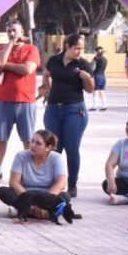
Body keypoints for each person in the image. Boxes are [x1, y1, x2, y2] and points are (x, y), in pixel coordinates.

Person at [41, 33, 94, 198]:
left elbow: (91, 89)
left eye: (82, 48)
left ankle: (72, 185)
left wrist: (86, 78)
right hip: (54, 109)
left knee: (72, 148)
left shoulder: (83, 64)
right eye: (77, 48)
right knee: (54, 148)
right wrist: (48, 90)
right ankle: (54, 182)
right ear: (67, 47)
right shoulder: (54, 60)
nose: (80, 51)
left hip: (74, 110)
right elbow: (46, 74)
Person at [0, 20, 41, 182]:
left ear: (22, 31)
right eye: (9, 31)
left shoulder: (31, 49)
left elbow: (27, 69)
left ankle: (29, 171)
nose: (12, 34)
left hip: (26, 101)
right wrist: (10, 45)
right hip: (4, 101)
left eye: (14, 31)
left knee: (27, 139)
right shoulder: (1, 49)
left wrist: (6, 65)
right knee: (1, 137)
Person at [0, 129, 69, 218]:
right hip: (25, 195)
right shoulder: (21, 156)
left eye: (38, 143)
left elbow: (61, 183)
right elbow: (14, 182)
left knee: (65, 196)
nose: (33, 145)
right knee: (3, 191)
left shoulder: (57, 158)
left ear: (48, 147)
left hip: (47, 196)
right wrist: (29, 200)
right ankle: (43, 213)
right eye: (32, 141)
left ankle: (26, 211)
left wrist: (44, 201)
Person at [103, 115, 128, 205]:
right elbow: (109, 164)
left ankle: (125, 198)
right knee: (106, 184)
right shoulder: (120, 144)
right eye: (127, 124)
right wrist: (111, 182)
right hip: (124, 183)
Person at [90, 46, 107, 111]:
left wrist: (88, 64)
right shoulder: (105, 59)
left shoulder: (96, 58)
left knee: (95, 91)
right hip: (103, 76)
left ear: (96, 52)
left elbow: (92, 68)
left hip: (97, 76)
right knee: (102, 91)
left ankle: (94, 106)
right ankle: (104, 106)